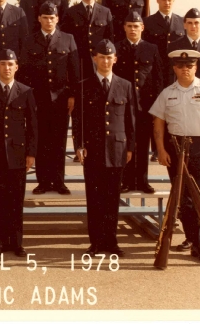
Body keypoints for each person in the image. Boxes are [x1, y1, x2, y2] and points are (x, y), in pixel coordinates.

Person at [149, 49, 200, 263]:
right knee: (183, 200)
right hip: (176, 149)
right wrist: (161, 150)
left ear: (196, 67)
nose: (185, 69)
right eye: (181, 65)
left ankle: (199, 243)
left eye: (190, 65)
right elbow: (158, 123)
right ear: (174, 68)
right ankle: (193, 240)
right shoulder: (167, 93)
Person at [74, 39, 135, 257]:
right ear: (94, 59)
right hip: (93, 151)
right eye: (102, 57)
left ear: (115, 59)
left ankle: (111, 242)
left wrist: (130, 148)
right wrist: (79, 146)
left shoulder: (125, 85)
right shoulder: (84, 85)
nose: (106, 61)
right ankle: (96, 243)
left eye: (110, 57)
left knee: (112, 198)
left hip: (117, 150)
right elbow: (78, 120)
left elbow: (131, 120)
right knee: (95, 198)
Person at [0, 49, 38, 257]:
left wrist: (31, 153)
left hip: (18, 155)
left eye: (11, 64)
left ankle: (17, 243)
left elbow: (33, 126)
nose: (7, 68)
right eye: (3, 64)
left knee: (16, 201)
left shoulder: (26, 91)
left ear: (17, 67)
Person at [19, 3, 79, 195]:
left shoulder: (68, 39)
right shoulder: (30, 41)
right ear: (39, 19)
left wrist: (72, 95)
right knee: (42, 140)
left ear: (57, 19)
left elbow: (74, 71)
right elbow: (25, 74)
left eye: (52, 17)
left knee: (59, 141)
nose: (49, 21)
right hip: (39, 98)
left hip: (61, 98)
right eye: (45, 17)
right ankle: (44, 181)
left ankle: (59, 181)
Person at [113, 12, 163, 193]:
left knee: (142, 144)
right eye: (129, 26)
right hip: (123, 105)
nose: (133, 29)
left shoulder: (152, 49)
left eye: (136, 26)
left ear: (142, 27)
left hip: (145, 105)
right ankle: (126, 181)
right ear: (124, 27)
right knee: (126, 143)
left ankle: (142, 181)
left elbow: (158, 79)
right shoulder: (116, 48)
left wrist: (157, 106)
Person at [60, 0, 114, 79]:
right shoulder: (71, 12)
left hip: (100, 62)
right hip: (78, 62)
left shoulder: (105, 12)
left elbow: (110, 39)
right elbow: (65, 40)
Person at [142, 0, 185, 87]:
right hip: (155, 72)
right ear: (157, 0)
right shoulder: (148, 22)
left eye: (170, 0)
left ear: (173, 1)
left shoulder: (182, 22)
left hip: (176, 73)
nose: (167, 3)